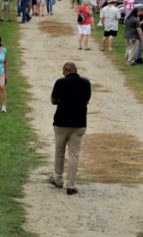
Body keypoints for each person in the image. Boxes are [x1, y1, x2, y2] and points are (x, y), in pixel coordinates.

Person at [50, 62, 90, 196]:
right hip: (79, 123)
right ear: (75, 70)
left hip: (61, 122)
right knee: (74, 154)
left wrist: (62, 101)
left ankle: (58, 178)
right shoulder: (85, 83)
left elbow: (53, 100)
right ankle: (71, 184)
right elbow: (86, 100)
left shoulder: (60, 82)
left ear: (66, 71)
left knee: (59, 151)